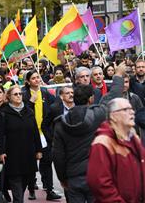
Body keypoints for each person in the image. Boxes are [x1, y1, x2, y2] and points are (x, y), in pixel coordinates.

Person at [52, 64, 125, 203]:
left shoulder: (60, 124)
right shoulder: (97, 115)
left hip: (73, 177)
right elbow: (113, 96)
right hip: (95, 174)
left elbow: (58, 156)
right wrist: (118, 75)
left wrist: (62, 179)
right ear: (91, 99)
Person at [87, 98, 145, 203]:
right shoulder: (103, 143)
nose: (132, 112)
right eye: (126, 109)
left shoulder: (134, 138)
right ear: (113, 116)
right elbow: (100, 184)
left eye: (131, 109)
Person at [0, 85, 42, 203]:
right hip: (13, 154)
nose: (18, 96)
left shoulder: (29, 111)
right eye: (15, 94)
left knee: (25, 181)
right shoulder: (4, 112)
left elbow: (35, 131)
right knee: (16, 183)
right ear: (9, 97)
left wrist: (39, 149)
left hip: (28, 153)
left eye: (20, 94)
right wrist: (1, 152)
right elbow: (0, 134)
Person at [21, 70, 60, 200]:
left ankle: (49, 190)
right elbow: (24, 113)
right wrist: (31, 102)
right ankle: (31, 189)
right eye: (33, 78)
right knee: (31, 163)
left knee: (47, 160)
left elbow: (55, 105)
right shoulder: (24, 94)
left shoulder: (44, 92)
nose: (37, 80)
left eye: (38, 77)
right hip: (30, 134)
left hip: (44, 133)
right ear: (28, 81)